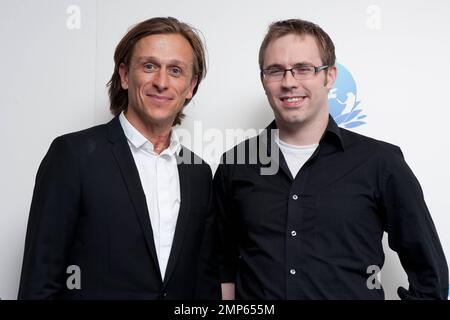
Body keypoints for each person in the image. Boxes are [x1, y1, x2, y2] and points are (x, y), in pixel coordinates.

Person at [215, 18, 448, 300]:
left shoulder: (381, 162)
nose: (289, 82)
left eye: (304, 69)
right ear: (263, 80)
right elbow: (220, 265)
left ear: (329, 76)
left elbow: (429, 273)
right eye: (275, 70)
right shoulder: (236, 164)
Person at [18, 17, 220, 299]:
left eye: (175, 70)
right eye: (149, 66)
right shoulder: (73, 156)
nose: (161, 82)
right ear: (125, 75)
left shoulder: (199, 173)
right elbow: (40, 281)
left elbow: (204, 282)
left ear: (190, 86)